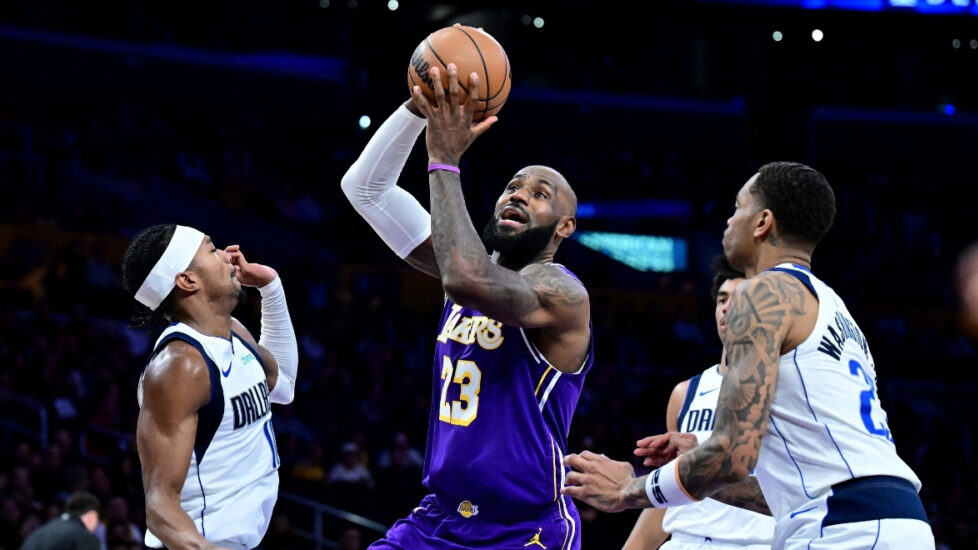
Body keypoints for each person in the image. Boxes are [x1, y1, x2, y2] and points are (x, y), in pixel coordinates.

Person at [563, 162, 933, 549]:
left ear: (762, 222)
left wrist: (630, 488)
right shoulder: (836, 310)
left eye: (737, 207)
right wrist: (700, 465)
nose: (728, 220)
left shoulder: (764, 294)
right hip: (894, 522)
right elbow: (778, 497)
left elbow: (733, 457)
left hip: (845, 530)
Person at [342, 63, 592, 549]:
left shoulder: (562, 294)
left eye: (541, 195)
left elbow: (466, 279)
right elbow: (366, 189)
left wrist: (444, 157)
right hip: (440, 517)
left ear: (564, 228)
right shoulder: (467, 263)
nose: (519, 194)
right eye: (513, 186)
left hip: (524, 527)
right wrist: (419, 108)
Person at [120, 224, 299, 549]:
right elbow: (160, 508)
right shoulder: (180, 366)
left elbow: (283, 386)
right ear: (188, 280)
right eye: (212, 248)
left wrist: (271, 287)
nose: (229, 256)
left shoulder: (232, 333)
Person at [624, 257, 773, 550]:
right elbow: (670, 489)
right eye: (722, 299)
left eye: (740, 298)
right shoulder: (685, 392)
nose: (727, 307)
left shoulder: (787, 389)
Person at [20, 491, 101, 550]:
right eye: (97, 520)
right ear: (92, 516)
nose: (97, 525)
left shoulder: (38, 533)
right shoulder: (84, 536)